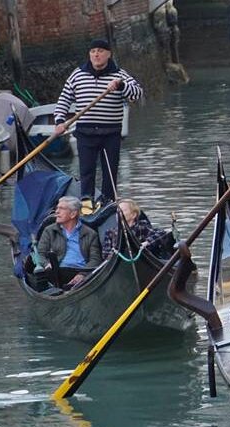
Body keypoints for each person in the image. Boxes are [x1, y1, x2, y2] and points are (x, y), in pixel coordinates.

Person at [54, 39, 143, 213]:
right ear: (89, 54)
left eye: (100, 51)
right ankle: (86, 201)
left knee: (110, 170)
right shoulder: (77, 75)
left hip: (111, 133)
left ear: (108, 54)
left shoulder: (119, 75)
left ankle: (107, 201)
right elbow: (63, 100)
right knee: (86, 169)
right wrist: (59, 121)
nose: (96, 54)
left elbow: (137, 93)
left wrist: (121, 86)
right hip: (85, 132)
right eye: (93, 51)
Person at [35, 196, 103, 288]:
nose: (57, 211)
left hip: (81, 273)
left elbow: (95, 259)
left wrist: (82, 275)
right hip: (56, 272)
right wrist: (46, 264)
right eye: (57, 208)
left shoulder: (90, 234)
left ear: (73, 214)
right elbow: (40, 254)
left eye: (61, 208)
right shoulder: (49, 231)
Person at [101, 199, 169, 256]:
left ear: (133, 215)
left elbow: (162, 234)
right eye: (117, 211)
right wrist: (115, 253)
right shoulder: (110, 232)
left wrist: (147, 243)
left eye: (122, 211)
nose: (118, 213)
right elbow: (105, 254)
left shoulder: (142, 227)